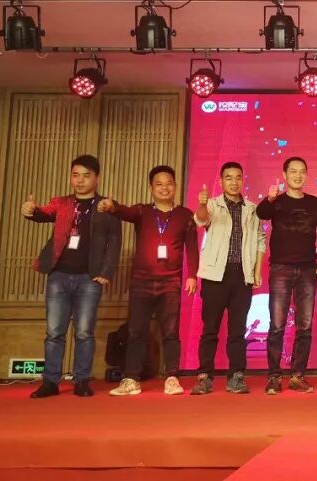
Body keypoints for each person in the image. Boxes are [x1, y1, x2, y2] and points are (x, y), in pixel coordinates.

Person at [22, 154, 121, 398]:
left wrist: (106, 272)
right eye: (75, 175)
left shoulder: (106, 206)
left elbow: (114, 242)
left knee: (84, 332)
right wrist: (31, 210)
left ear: (97, 178)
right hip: (58, 275)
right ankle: (50, 382)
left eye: (86, 175)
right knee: (54, 332)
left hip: (89, 278)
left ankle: (82, 381)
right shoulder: (62, 202)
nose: (80, 180)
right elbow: (43, 213)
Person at [99, 165, 199, 396]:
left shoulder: (185, 215)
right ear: (151, 188)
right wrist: (112, 206)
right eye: (159, 184)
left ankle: (172, 378)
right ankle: (130, 379)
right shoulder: (142, 211)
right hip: (141, 282)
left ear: (175, 186)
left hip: (170, 283)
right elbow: (123, 211)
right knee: (136, 332)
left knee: (170, 332)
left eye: (169, 183)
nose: (164, 188)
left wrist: (192, 275)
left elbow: (192, 248)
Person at [255, 157, 317, 395]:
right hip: (280, 269)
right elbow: (261, 213)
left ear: (306, 175)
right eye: (293, 171)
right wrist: (270, 198)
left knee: (304, 326)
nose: (298, 175)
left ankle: (298, 376)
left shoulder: (315, 203)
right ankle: (274, 376)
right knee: (277, 326)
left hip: (307, 270)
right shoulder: (276, 202)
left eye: (302, 171)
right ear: (285, 175)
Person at [191, 161, 265, 395]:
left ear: (243, 180)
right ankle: (204, 376)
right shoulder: (212, 204)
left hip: (241, 275)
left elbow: (260, 240)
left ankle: (236, 376)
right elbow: (201, 220)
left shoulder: (251, 209)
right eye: (229, 178)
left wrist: (257, 271)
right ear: (221, 181)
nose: (234, 182)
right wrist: (202, 204)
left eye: (238, 177)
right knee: (210, 329)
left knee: (237, 330)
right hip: (215, 275)